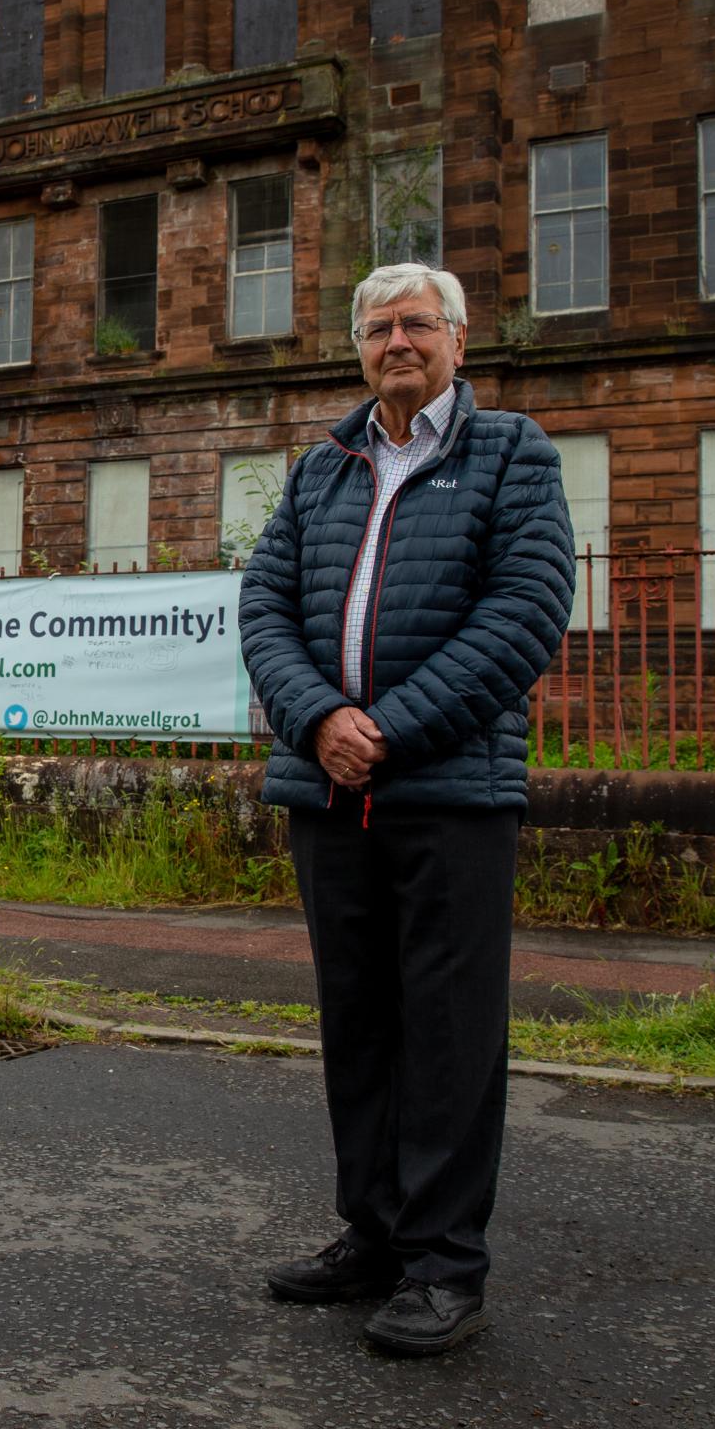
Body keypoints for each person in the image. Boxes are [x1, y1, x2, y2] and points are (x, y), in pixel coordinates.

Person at [238, 263, 574, 1357]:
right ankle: (373, 1234)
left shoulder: (512, 454)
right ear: (360, 347)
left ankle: (442, 1264)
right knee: (361, 1021)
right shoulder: (322, 465)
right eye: (378, 327)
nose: (397, 341)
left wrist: (386, 730)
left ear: (459, 341)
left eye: (417, 324)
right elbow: (265, 607)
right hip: (328, 794)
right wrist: (321, 720)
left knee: (450, 1034)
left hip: (447, 794)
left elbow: (525, 611)